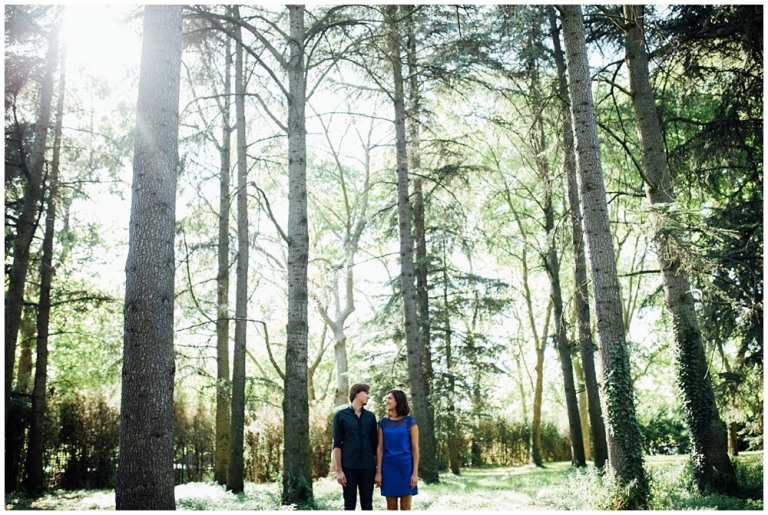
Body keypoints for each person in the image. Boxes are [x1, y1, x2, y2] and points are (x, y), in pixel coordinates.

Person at [332, 383, 379, 510]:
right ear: (356, 393)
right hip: (348, 468)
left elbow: (375, 445)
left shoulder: (370, 417)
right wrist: (339, 471)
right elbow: (337, 445)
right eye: (366, 393)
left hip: (368, 468)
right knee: (349, 505)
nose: (368, 397)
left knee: (367, 505)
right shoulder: (340, 416)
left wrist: (377, 471)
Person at [374, 389, 419, 510]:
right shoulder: (383, 423)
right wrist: (378, 472)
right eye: (387, 398)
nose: (387, 401)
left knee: (405, 507)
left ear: (398, 401)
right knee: (391, 507)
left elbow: (415, 449)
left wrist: (415, 473)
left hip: (406, 468)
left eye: (390, 398)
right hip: (388, 468)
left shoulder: (410, 422)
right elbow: (380, 448)